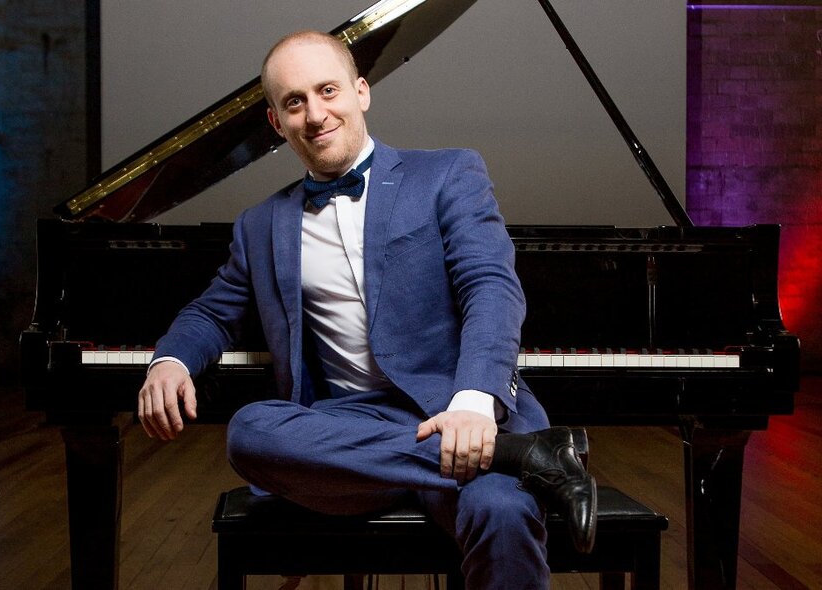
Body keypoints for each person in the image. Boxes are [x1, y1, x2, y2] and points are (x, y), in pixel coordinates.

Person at [138, 30, 596, 589]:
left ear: (361, 91)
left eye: (327, 90)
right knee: (249, 431)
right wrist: (170, 362)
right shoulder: (260, 225)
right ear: (276, 124)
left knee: (501, 512)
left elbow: (491, 286)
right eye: (294, 102)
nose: (314, 113)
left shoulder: (448, 174)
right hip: (349, 426)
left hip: (461, 409)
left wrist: (475, 403)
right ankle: (523, 456)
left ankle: (491, 452)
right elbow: (212, 313)